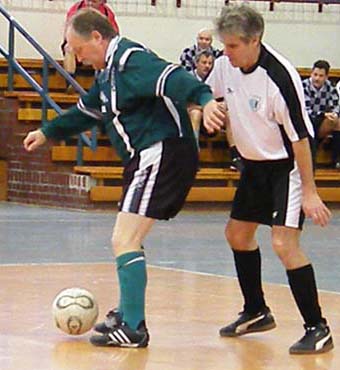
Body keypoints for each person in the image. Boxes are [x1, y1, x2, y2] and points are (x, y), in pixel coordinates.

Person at [23, 9, 224, 348]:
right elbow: (85, 113)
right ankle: (128, 313)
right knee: (127, 237)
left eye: (79, 48)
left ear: (98, 37)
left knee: (124, 237)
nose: (78, 57)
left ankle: (133, 327)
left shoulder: (130, 59)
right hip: (143, 157)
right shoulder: (105, 77)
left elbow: (173, 77)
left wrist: (206, 100)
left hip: (163, 151)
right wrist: (47, 132)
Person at [204, 4, 333, 354]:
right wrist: (202, 108)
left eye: (232, 46)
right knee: (237, 234)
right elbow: (202, 93)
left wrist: (309, 191)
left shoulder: (280, 76)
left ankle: (317, 327)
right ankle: (256, 310)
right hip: (253, 165)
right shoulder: (224, 65)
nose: (226, 53)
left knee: (283, 244)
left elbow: (301, 139)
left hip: (286, 168)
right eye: (224, 45)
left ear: (255, 40)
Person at [61, 0, 119, 92]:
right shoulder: (76, 9)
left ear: (102, 2)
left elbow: (114, 35)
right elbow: (68, 32)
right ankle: (70, 81)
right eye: (88, 1)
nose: (90, 4)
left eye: (94, 1)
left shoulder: (107, 13)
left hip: (96, 48)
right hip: (79, 44)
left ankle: (104, 84)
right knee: (69, 48)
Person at [302, 60, 340, 168]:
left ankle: (336, 160)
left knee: (337, 122)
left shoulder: (330, 88)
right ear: (311, 73)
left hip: (322, 121)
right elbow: (305, 109)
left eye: (321, 76)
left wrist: (334, 114)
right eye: (315, 74)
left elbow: (336, 105)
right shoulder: (303, 86)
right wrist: (323, 114)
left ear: (326, 76)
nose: (317, 78)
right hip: (307, 120)